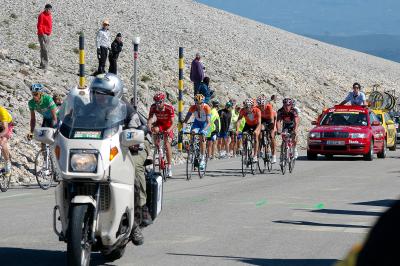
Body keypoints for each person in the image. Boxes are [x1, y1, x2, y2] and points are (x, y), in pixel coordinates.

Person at [88, 73, 151, 245]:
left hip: (128, 147)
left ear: (115, 94)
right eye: (96, 93)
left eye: (104, 94)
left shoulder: (125, 108)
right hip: (99, 151)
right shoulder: (86, 109)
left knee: (134, 172)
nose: (99, 97)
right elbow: (71, 123)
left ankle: (137, 220)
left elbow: (136, 129)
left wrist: (133, 140)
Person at [147, 92, 175, 177]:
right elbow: (150, 119)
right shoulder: (153, 107)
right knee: (154, 130)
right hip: (160, 125)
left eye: (159, 102)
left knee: (167, 144)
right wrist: (149, 125)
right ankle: (158, 148)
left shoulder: (169, 108)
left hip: (168, 126)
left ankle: (169, 168)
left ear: (163, 101)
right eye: (156, 102)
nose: (158, 104)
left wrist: (169, 130)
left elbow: (174, 123)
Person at [182, 94, 211, 170]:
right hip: (197, 123)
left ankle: (202, 158)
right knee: (192, 133)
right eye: (197, 103)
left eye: (201, 103)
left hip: (205, 124)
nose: (199, 105)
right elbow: (185, 121)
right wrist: (183, 129)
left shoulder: (207, 108)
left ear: (203, 102)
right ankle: (192, 149)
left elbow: (209, 122)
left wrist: (204, 130)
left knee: (202, 138)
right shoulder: (192, 108)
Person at [257, 95, 277, 163]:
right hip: (263, 120)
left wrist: (274, 129)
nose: (261, 107)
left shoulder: (269, 107)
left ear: (265, 104)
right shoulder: (257, 108)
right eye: (260, 106)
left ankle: (274, 155)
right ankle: (261, 149)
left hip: (271, 119)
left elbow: (272, 120)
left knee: (272, 136)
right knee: (259, 131)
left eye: (263, 105)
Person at [37, 4, 52, 70]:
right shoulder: (41, 15)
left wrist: (49, 32)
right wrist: (42, 34)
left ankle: (42, 64)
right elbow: (39, 25)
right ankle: (44, 65)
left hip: (47, 34)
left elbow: (50, 24)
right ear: (45, 8)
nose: (48, 10)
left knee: (46, 49)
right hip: (42, 34)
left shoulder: (49, 15)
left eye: (50, 9)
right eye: (47, 9)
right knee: (44, 49)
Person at [0, 106, 13, 177]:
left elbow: (5, 130)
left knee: (2, 142)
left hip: (7, 126)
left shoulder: (2, 111)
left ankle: (7, 163)